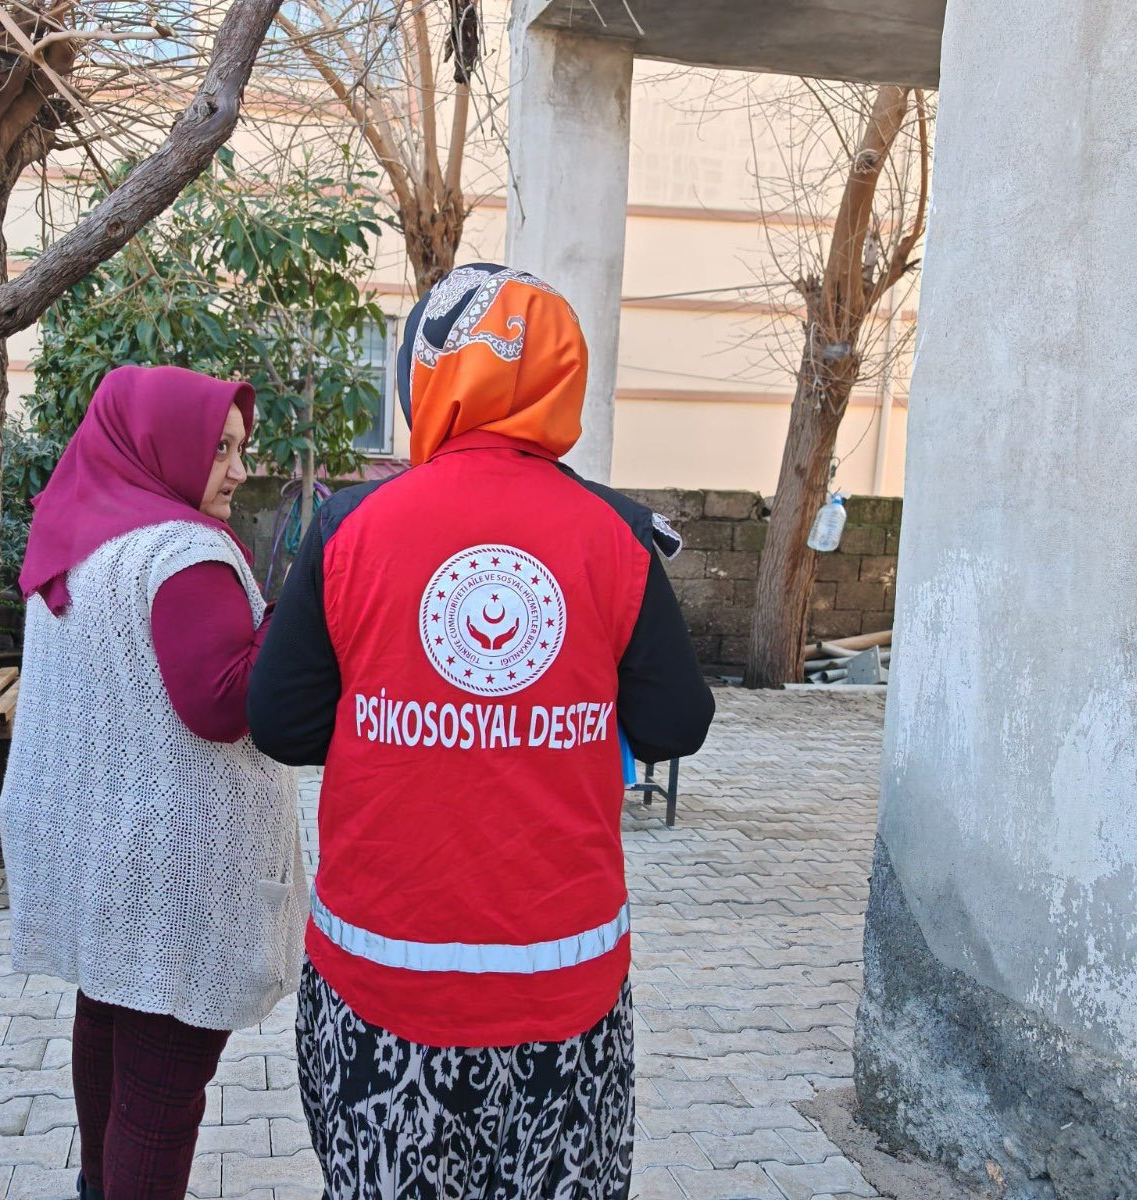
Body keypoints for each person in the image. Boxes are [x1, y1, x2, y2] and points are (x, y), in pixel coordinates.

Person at [248, 262, 716, 1199]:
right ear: (560, 374)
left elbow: (281, 721)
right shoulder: (613, 536)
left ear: (427, 374)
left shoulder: (350, 527)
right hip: (565, 991)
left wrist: (404, 717)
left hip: (382, 984)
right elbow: (676, 722)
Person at [0, 365, 306, 1200]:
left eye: (240, 451)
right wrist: (296, 615)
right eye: (221, 450)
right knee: (162, 1096)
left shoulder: (78, 541)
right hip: (177, 875)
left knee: (105, 1033)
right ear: (162, 444)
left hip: (103, 852)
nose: (240, 472)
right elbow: (221, 704)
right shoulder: (183, 550)